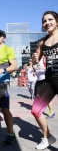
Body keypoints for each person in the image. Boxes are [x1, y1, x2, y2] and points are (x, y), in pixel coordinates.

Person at [32, 11, 58, 150]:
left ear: (57, 21)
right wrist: (36, 61)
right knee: (36, 110)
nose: (47, 23)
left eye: (50, 19)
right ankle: (47, 137)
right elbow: (36, 59)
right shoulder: (42, 42)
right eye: (44, 21)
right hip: (49, 81)